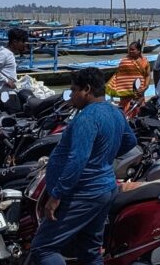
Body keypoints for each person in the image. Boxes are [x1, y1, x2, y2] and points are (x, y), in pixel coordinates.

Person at [30, 67, 137, 265]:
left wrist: (57, 195)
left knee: (43, 249)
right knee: (90, 250)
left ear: (86, 89)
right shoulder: (116, 113)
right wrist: (104, 156)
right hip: (105, 188)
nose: (71, 97)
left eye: (73, 91)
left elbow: (77, 160)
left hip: (82, 192)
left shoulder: (86, 118)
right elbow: (130, 141)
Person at [107, 41, 149, 114]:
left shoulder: (144, 62)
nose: (130, 51)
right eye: (130, 49)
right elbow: (120, 75)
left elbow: (147, 75)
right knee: (125, 112)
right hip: (125, 93)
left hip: (139, 92)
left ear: (139, 51)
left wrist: (145, 87)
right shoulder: (124, 61)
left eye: (133, 49)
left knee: (138, 111)